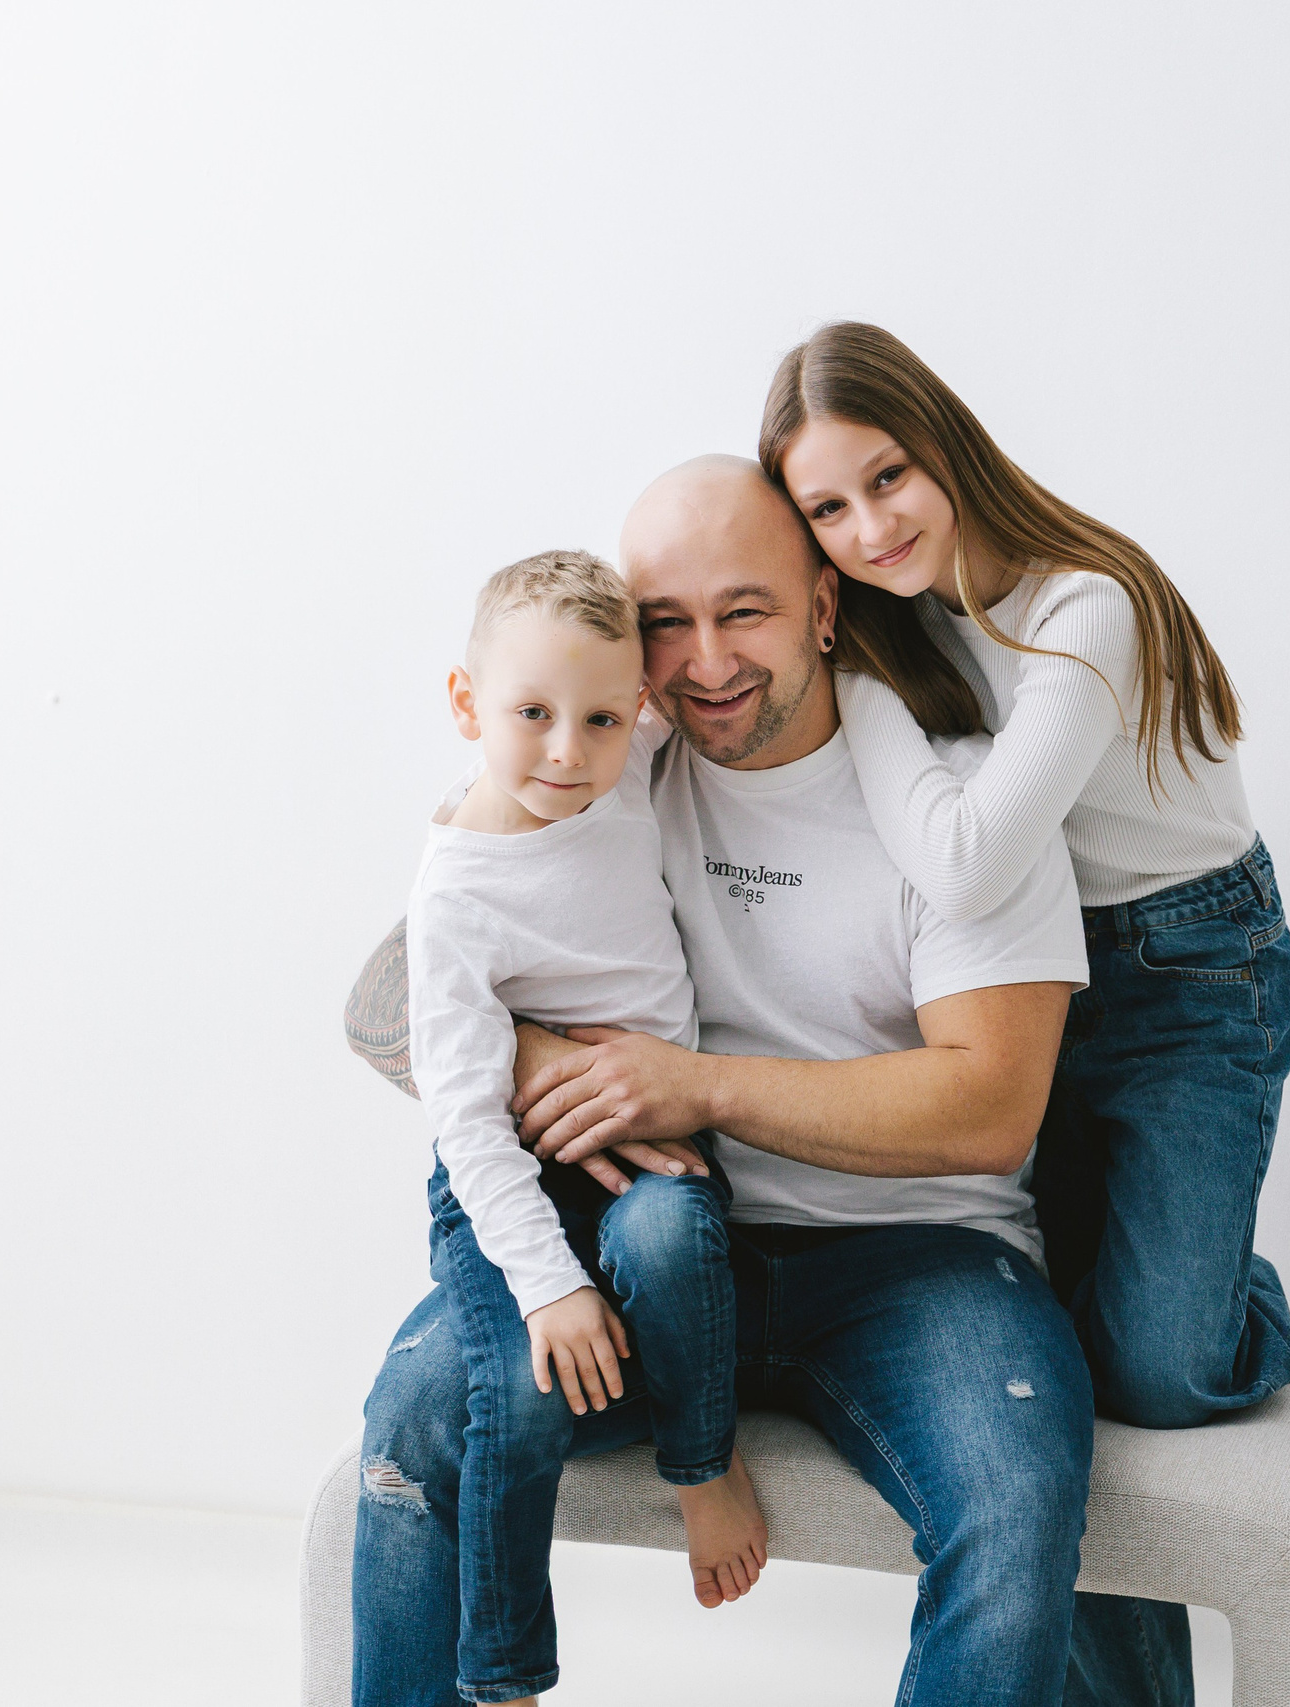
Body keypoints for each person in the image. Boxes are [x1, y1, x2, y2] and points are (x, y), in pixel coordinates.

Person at [351, 457, 1096, 1707]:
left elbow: (989, 1111)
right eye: (666, 623)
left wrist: (694, 1087)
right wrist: (548, 1062)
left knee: (1015, 1495)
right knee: (416, 1420)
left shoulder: (961, 807)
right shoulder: (601, 751)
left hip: (920, 1260)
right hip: (640, 1239)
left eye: (743, 611)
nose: (704, 662)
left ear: (822, 606)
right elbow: (383, 1004)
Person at [759, 321, 1290, 1703]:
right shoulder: (895, 625)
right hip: (1038, 979)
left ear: (943, 442)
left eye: (888, 477)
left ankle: (1227, 1297)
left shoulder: (1086, 603)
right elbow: (965, 857)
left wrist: (867, 699)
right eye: (827, 509)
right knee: (1062, 1380)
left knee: (1158, 1370)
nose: (870, 528)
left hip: (1194, 973)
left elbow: (960, 860)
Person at [404, 550, 767, 1706]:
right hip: (506, 1169)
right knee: (518, 1392)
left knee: (669, 1237)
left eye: (601, 719)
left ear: (638, 710)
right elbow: (465, 1119)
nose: (567, 751)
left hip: (649, 1142)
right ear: (466, 703)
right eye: (531, 715)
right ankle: (503, 1676)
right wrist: (549, 1286)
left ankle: (701, 1467)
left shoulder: (627, 766)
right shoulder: (455, 894)